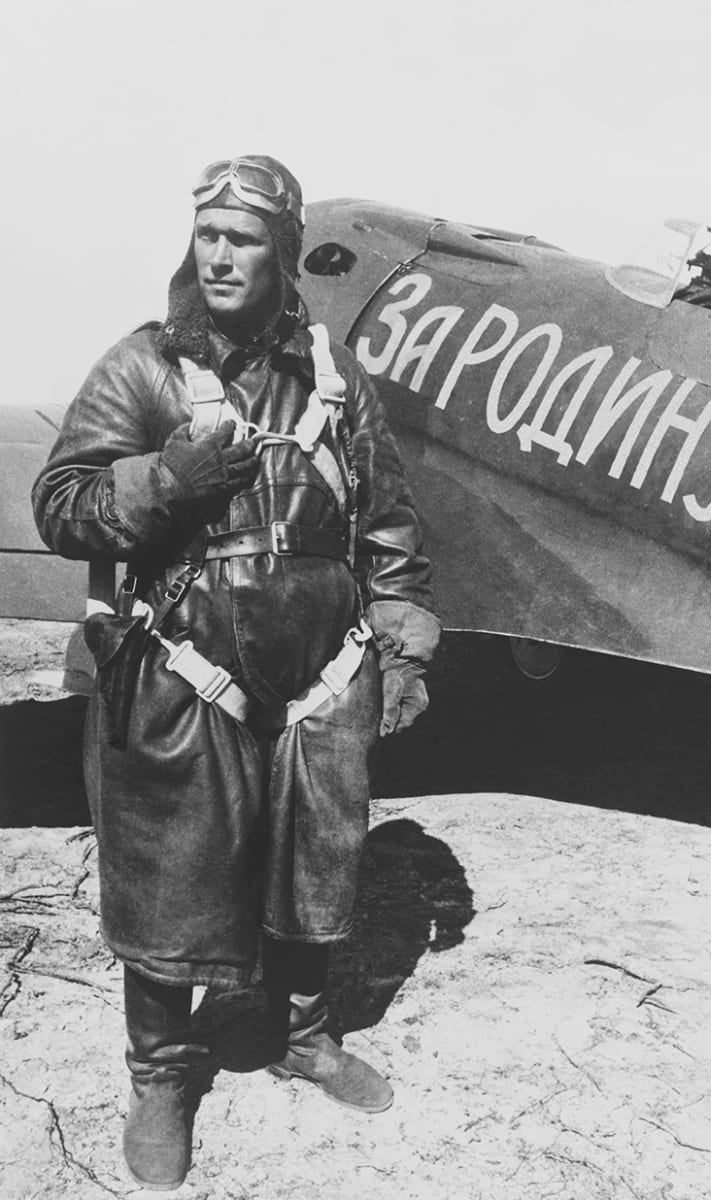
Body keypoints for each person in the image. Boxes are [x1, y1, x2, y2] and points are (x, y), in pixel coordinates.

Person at [32, 155, 441, 1191]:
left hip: (322, 674)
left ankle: (303, 1036)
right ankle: (162, 1078)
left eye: (244, 239)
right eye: (208, 235)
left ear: (282, 253)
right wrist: (165, 480)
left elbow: (387, 523)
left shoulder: (333, 377)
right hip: (183, 673)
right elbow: (62, 506)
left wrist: (399, 639)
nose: (219, 256)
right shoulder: (143, 368)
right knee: (171, 882)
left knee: (315, 867)